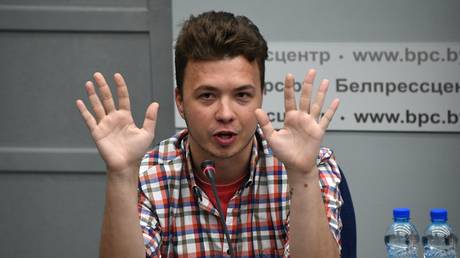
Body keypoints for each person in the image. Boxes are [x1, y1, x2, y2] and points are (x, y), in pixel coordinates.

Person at [76, 11, 342, 258]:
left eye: (242, 95)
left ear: (261, 96)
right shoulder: (148, 174)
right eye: (207, 96)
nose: (225, 113)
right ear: (180, 101)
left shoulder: (311, 164)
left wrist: (302, 174)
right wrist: (122, 175)